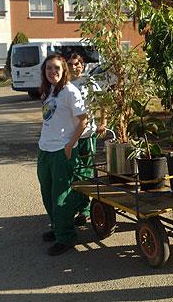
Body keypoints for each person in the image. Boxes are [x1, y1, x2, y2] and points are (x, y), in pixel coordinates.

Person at [38, 54, 88, 256]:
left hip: (62, 151)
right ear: (44, 70)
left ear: (63, 70)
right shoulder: (49, 90)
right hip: (45, 149)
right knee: (47, 192)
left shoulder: (70, 91)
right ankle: (57, 227)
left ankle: (66, 236)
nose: (53, 72)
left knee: (61, 196)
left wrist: (70, 145)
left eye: (57, 68)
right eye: (49, 68)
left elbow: (83, 120)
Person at [67, 53, 106, 226]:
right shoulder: (64, 84)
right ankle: (73, 206)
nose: (73, 67)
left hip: (87, 134)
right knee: (72, 172)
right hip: (69, 136)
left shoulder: (89, 83)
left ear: (82, 65)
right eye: (70, 64)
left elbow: (103, 101)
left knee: (86, 171)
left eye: (77, 64)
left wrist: (102, 122)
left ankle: (84, 209)